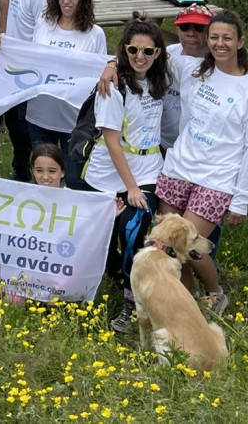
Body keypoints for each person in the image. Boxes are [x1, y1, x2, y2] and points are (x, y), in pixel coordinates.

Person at [157, 10, 248, 315]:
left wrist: (242, 199)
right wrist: (110, 67)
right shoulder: (194, 70)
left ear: (241, 42)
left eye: (227, 38)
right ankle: (186, 300)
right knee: (169, 245)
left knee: (187, 244)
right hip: (178, 169)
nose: (219, 43)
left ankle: (215, 293)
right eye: (214, 37)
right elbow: (145, 59)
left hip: (217, 179)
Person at [85, 17, 168, 334]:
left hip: (148, 169)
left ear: (157, 53)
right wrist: (130, 187)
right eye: (133, 50)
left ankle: (131, 306)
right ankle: (112, 278)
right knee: (103, 238)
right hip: (110, 174)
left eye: (148, 51)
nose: (140, 57)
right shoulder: (113, 87)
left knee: (132, 232)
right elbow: (111, 141)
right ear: (124, 50)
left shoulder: (160, 79)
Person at [28, 0, 108, 159]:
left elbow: (101, 74)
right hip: (39, 114)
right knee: (43, 171)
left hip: (74, 119)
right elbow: (31, 61)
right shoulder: (43, 25)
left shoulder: (95, 34)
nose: (66, 1)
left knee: (73, 172)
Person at [2, 0, 49, 181]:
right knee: (14, 127)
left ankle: (32, 175)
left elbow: (43, 34)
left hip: (29, 73)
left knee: (26, 128)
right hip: (13, 67)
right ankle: (20, 170)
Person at [164, 4, 213, 152]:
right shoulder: (168, 54)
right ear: (177, 30)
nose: (191, 33)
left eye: (199, 28)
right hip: (160, 143)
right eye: (185, 27)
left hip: (197, 148)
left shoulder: (219, 62)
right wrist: (112, 65)